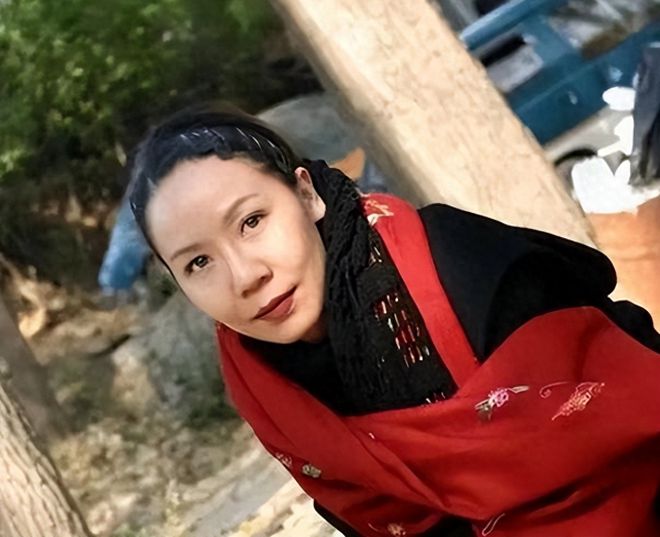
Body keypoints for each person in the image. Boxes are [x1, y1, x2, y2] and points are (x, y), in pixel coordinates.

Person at [128, 102, 660, 537]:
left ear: (306, 195)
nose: (244, 276)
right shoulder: (266, 389)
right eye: (199, 263)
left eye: (251, 221)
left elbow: (628, 386)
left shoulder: (456, 266)